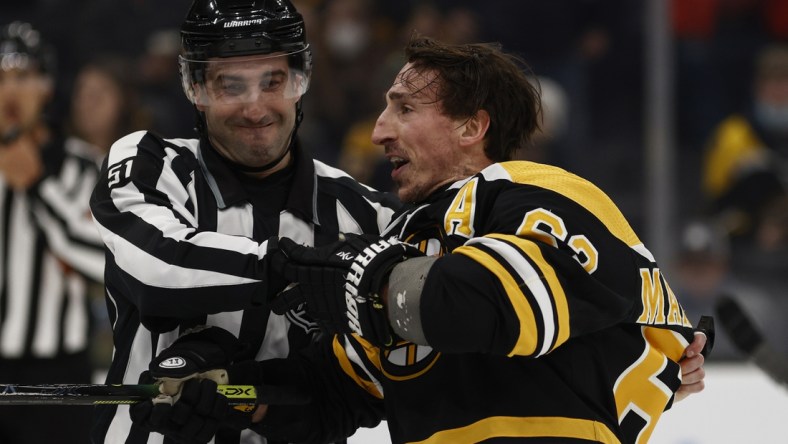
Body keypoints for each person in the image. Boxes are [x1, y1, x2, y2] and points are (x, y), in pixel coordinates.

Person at [136, 35, 711, 444]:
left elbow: (481, 303)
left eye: (405, 108)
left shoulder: (534, 191)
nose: (380, 130)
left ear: (472, 127)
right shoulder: (409, 232)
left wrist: (357, 275)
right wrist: (231, 394)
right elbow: (336, 396)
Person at [87, 1, 401, 443]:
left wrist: (263, 402)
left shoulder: (369, 213)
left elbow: (369, 371)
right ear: (195, 88)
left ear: (300, 81)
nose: (255, 110)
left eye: (273, 82)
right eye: (230, 87)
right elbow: (157, 269)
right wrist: (296, 269)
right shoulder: (149, 163)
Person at [0, 21, 106, 443]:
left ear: (45, 86)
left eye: (23, 76)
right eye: (1, 78)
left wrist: (37, 186)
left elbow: (103, 260)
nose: (10, 92)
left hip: (58, 374)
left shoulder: (84, 165)